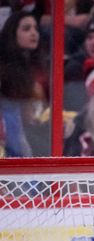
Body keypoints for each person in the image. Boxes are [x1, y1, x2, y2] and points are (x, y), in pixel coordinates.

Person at [0, 11, 49, 157]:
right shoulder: (3, 69)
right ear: (12, 34)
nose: (34, 33)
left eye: (36, 29)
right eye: (26, 29)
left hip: (33, 134)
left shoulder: (41, 68)